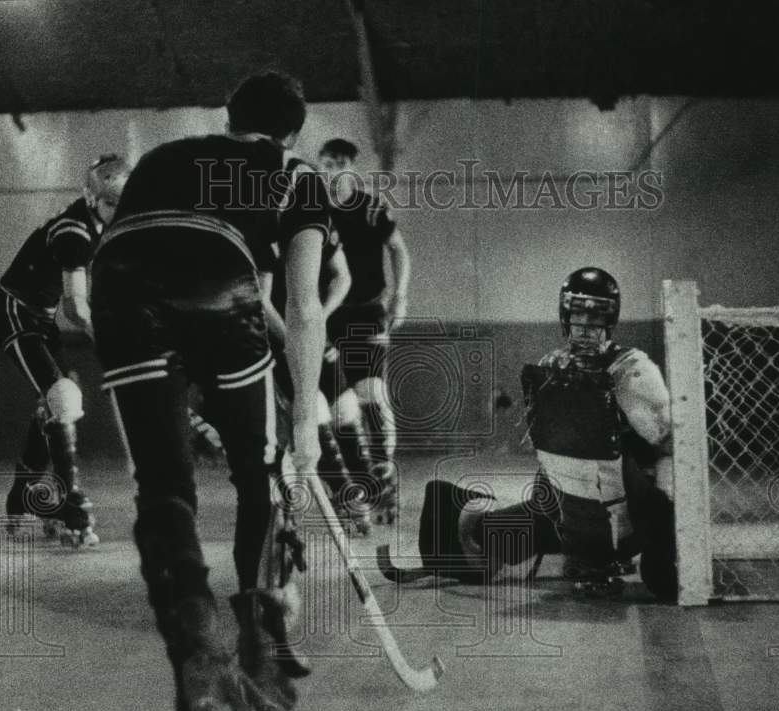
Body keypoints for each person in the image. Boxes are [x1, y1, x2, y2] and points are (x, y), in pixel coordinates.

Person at [89, 71, 329, 711]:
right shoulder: (294, 171)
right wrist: (305, 421)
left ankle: (195, 637)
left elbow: (168, 245)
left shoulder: (166, 156)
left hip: (121, 281)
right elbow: (303, 305)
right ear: (291, 133)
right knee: (261, 474)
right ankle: (260, 642)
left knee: (164, 487)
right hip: (222, 281)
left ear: (228, 119)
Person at [379, 267, 678, 601]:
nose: (585, 322)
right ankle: (590, 553)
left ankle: (498, 536)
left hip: (568, 519)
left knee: (501, 518)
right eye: (581, 312)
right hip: (628, 525)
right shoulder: (632, 368)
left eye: (589, 313)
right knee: (657, 464)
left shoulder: (548, 366)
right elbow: (668, 445)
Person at [0, 154, 129, 548]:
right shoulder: (76, 232)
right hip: (15, 310)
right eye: (110, 202)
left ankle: (24, 493)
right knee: (63, 397)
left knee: (60, 399)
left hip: (41, 316)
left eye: (123, 202)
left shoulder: (100, 225)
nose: (117, 210)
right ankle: (70, 497)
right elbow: (76, 306)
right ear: (92, 197)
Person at [317, 139, 412, 524]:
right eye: (325, 163)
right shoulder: (315, 211)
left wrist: (400, 296)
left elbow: (400, 250)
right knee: (341, 407)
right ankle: (357, 485)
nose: (330, 169)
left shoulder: (370, 207)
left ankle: (384, 475)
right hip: (329, 316)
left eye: (338, 163)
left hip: (367, 312)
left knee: (370, 394)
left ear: (351, 168)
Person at [260, 230, 379, 535]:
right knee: (316, 410)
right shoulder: (269, 228)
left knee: (347, 409)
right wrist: (294, 339)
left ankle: (365, 487)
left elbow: (343, 277)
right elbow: (262, 298)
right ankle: (344, 493)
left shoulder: (319, 226)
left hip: (315, 333)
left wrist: (320, 319)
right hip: (280, 338)